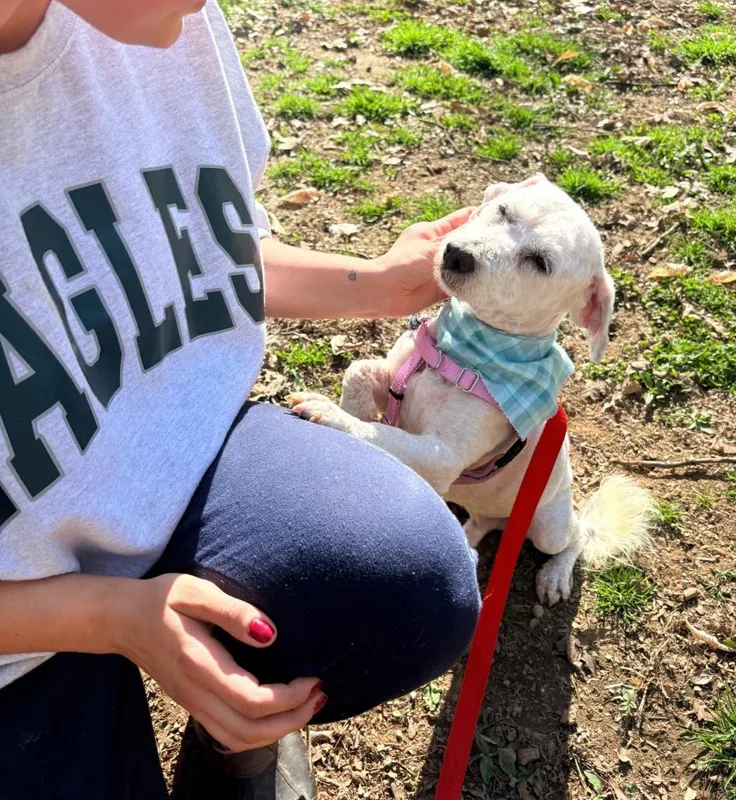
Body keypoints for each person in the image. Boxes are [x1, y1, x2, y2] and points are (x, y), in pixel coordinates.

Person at [0, 1, 481, 798]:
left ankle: (235, 747)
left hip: (174, 453)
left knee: (407, 589)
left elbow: (194, 250)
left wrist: (380, 281)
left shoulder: (156, 24)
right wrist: (110, 617)